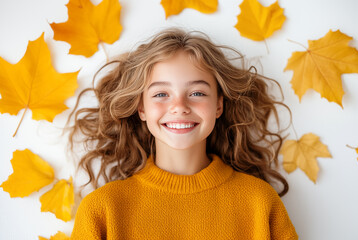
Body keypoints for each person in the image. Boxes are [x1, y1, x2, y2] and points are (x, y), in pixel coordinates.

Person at [69, 27, 298, 239]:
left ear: (219, 105)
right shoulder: (102, 210)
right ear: (141, 108)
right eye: (161, 94)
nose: (179, 106)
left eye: (197, 93)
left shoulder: (260, 202)